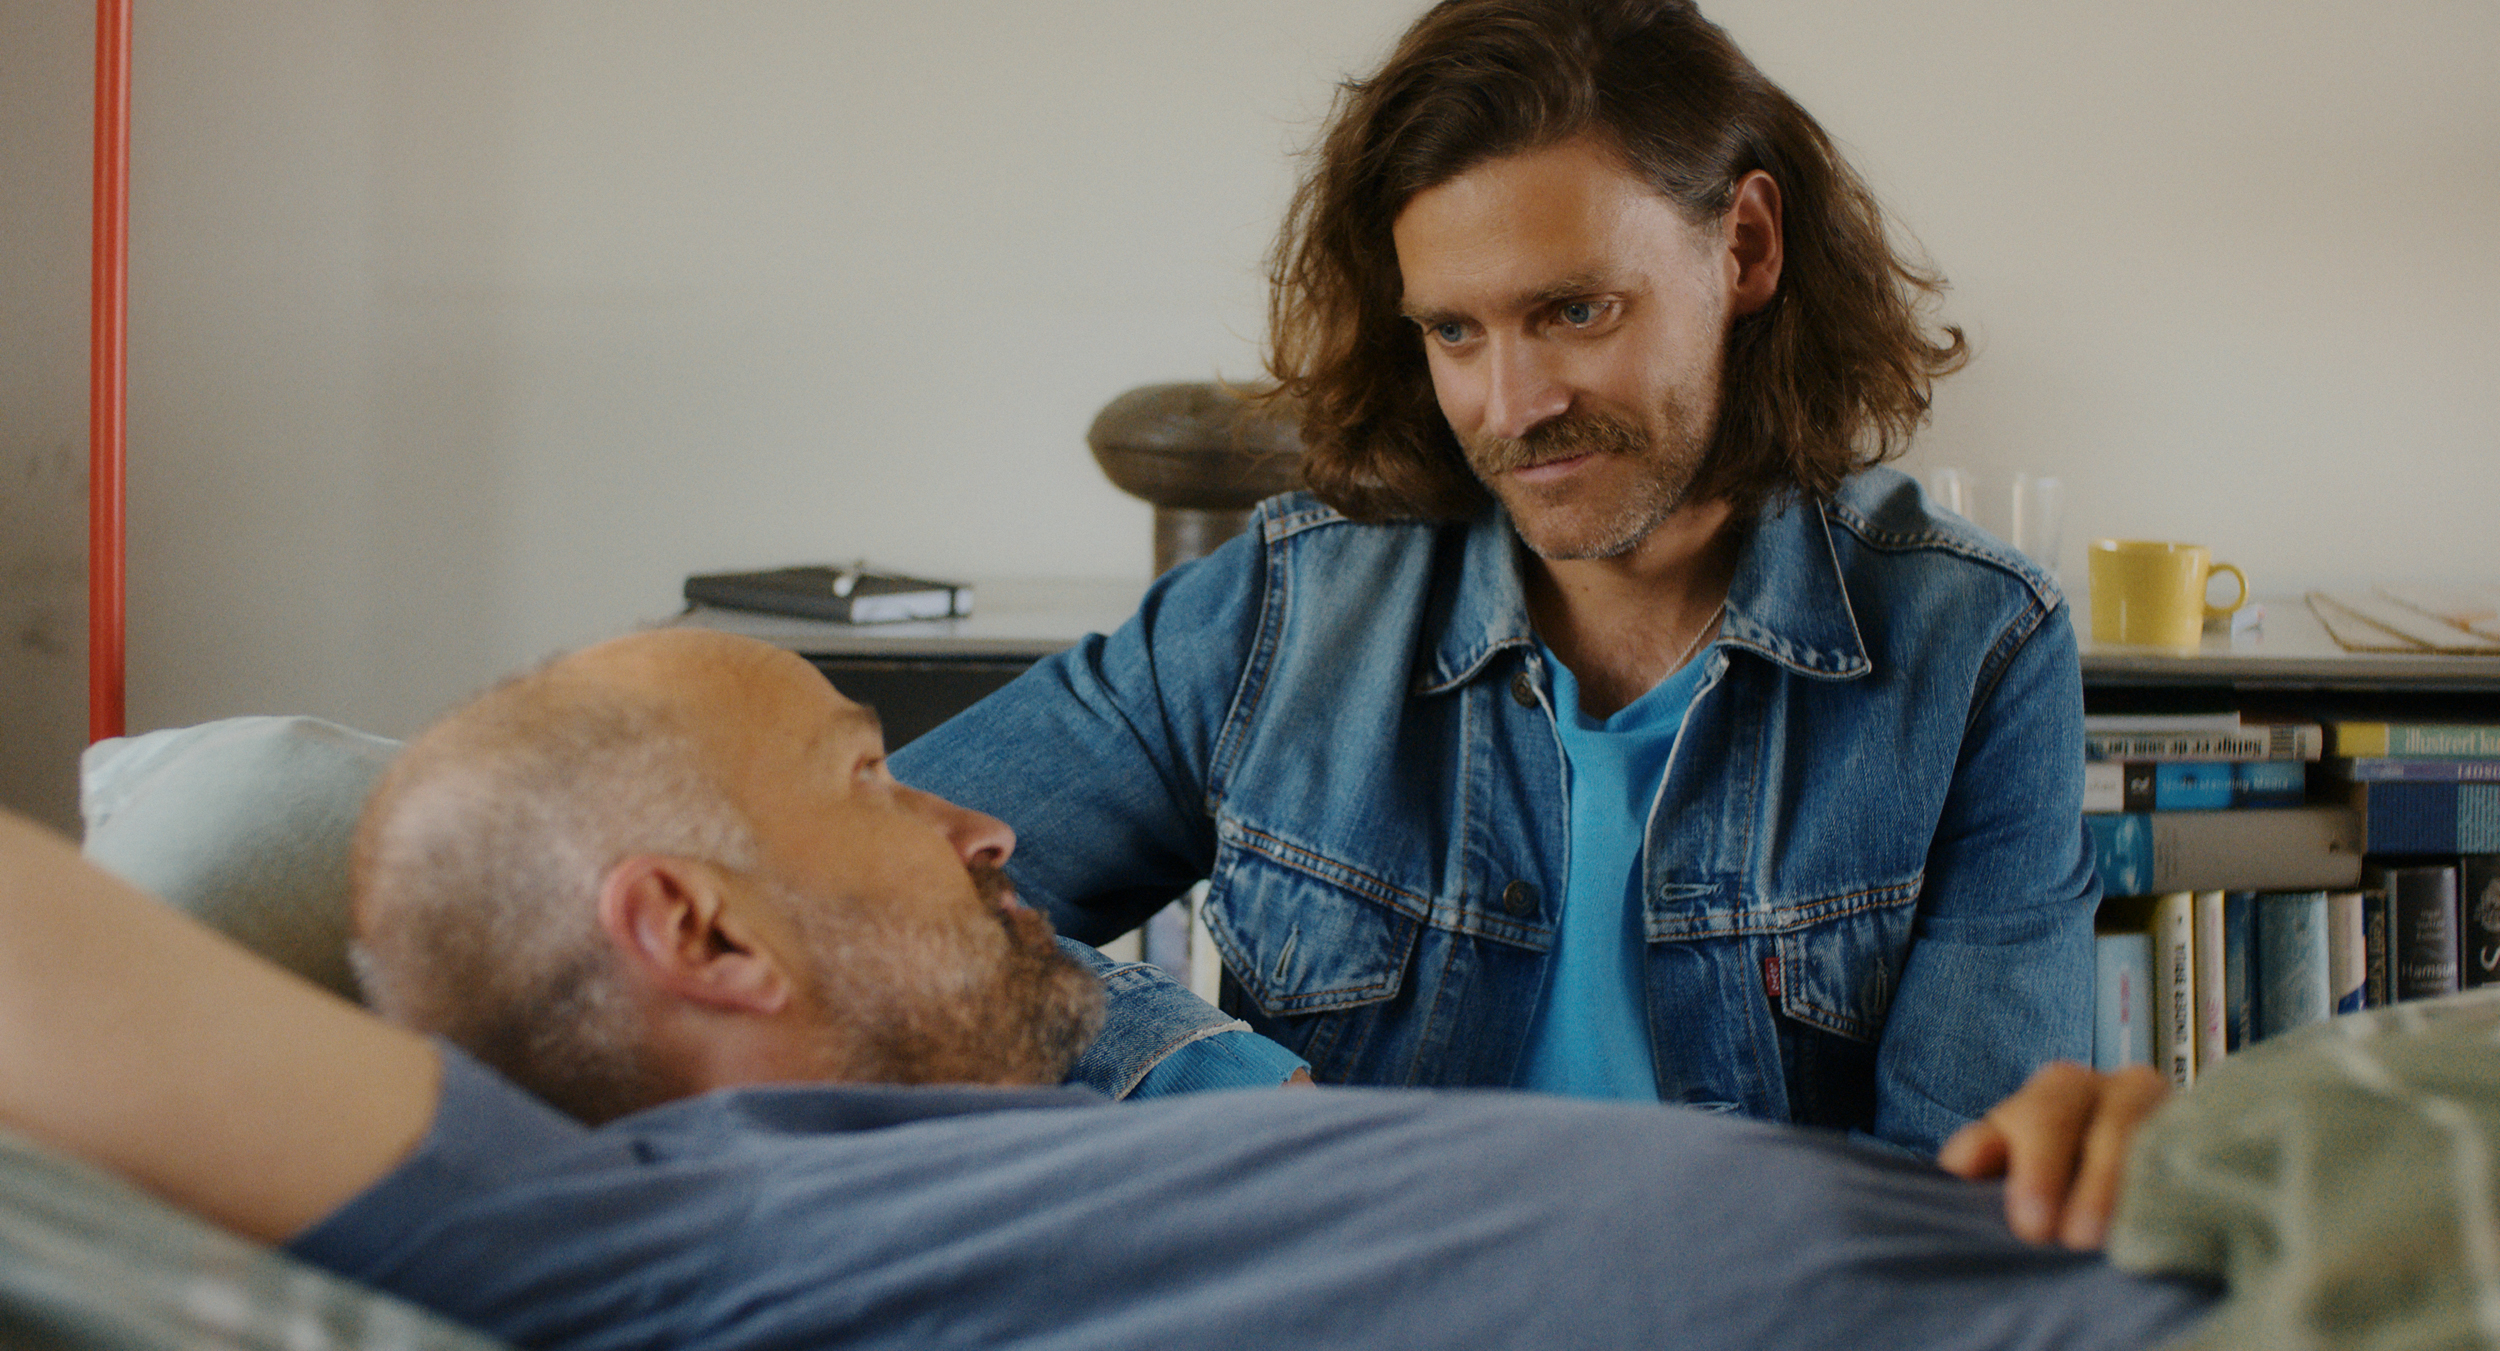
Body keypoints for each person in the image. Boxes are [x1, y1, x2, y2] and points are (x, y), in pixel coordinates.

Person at [0, 630, 2208, 1351]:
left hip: (2208, 1228)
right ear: (700, 934)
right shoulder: (650, 1240)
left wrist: (2102, 1153)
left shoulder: (1075, 1115)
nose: (987, 826)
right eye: (871, 780)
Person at [893, 0, 2095, 1156]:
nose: (1511, 407)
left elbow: (1967, 1196)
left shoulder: (1976, 643)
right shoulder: (1281, 609)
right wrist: (1225, 1091)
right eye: (1454, 331)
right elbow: (863, 891)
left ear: (1745, 247)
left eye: (1574, 310)